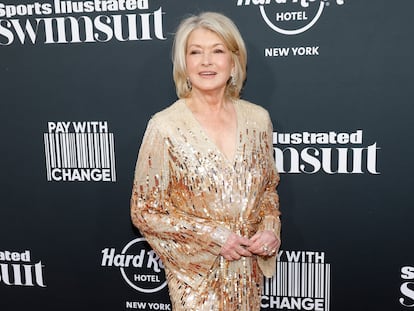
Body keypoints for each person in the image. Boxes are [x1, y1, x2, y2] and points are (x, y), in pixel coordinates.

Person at [130, 11, 281, 311]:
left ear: (234, 62)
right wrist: (215, 237)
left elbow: (267, 191)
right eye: (195, 52)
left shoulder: (257, 120)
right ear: (184, 65)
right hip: (197, 281)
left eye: (217, 51)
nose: (206, 62)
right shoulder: (165, 127)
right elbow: (144, 211)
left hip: (247, 274)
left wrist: (270, 228)